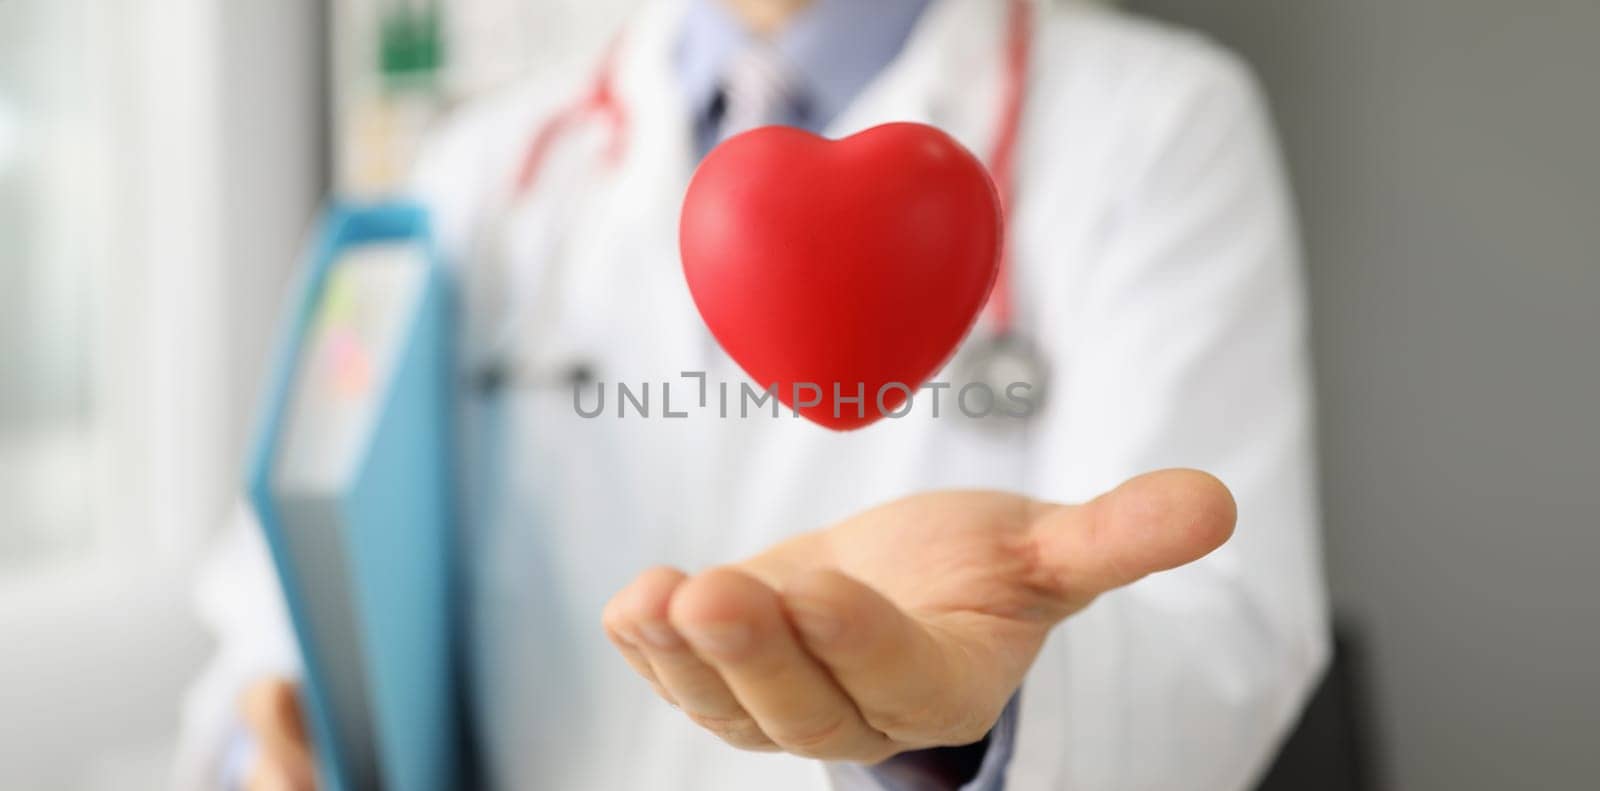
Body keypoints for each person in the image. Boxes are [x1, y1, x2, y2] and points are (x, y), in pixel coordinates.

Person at [176, 0, 1330, 789]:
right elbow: (279, 608)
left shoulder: (1156, 126)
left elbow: (1223, 634)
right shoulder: (481, 166)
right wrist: (270, 743)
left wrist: (977, 717)